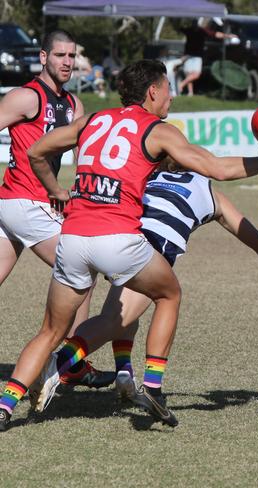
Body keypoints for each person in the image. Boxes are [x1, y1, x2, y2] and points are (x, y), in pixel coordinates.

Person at [0, 59, 258, 432]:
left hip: (71, 237)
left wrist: (56, 191)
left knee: (50, 331)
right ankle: (151, 385)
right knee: (169, 294)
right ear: (152, 91)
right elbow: (218, 168)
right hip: (118, 239)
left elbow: (36, 151)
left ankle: (6, 407)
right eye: (168, 88)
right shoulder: (157, 130)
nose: (172, 95)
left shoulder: (94, 119)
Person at [34, 165, 258, 409]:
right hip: (145, 251)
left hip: (114, 237)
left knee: (124, 314)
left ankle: (124, 374)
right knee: (116, 320)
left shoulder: (149, 174)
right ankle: (58, 364)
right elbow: (256, 241)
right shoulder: (210, 192)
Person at [0, 30, 114, 390]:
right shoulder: (25, 97)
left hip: (17, 207)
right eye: (60, 55)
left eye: (71, 56)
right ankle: (72, 362)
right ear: (43, 56)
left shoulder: (74, 106)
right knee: (85, 266)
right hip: (25, 202)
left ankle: (70, 359)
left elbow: (85, 162)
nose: (67, 62)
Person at [177, 19, 235, 96]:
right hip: (188, 55)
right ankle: (190, 92)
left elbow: (215, 34)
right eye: (193, 23)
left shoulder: (202, 31)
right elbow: (179, 28)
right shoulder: (189, 30)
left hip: (197, 56)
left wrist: (227, 36)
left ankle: (181, 85)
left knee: (196, 74)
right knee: (189, 74)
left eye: (195, 23)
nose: (194, 24)